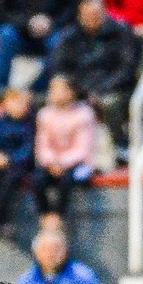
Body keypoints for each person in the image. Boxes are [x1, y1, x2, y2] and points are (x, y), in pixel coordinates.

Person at [48, 0, 141, 152]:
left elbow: (127, 69)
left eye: (95, 14)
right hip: (80, 90)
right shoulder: (70, 37)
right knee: (45, 101)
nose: (92, 19)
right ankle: (53, 152)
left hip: (116, 89)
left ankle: (121, 147)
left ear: (104, 13)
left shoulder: (122, 33)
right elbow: (60, 67)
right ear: (80, 16)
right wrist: (81, 91)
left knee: (111, 103)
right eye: (87, 15)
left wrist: (100, 90)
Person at [32, 75, 97, 223]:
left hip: (79, 163)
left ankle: (59, 217)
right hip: (52, 163)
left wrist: (62, 162)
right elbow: (42, 146)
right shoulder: (44, 114)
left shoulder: (85, 113)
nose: (55, 94)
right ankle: (45, 217)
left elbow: (83, 149)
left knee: (67, 179)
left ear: (71, 92)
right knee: (38, 179)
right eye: (53, 90)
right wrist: (52, 161)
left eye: (60, 90)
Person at [0, 87, 37, 238]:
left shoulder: (31, 124)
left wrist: (9, 159)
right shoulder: (1, 122)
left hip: (20, 164)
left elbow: (29, 149)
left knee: (9, 180)